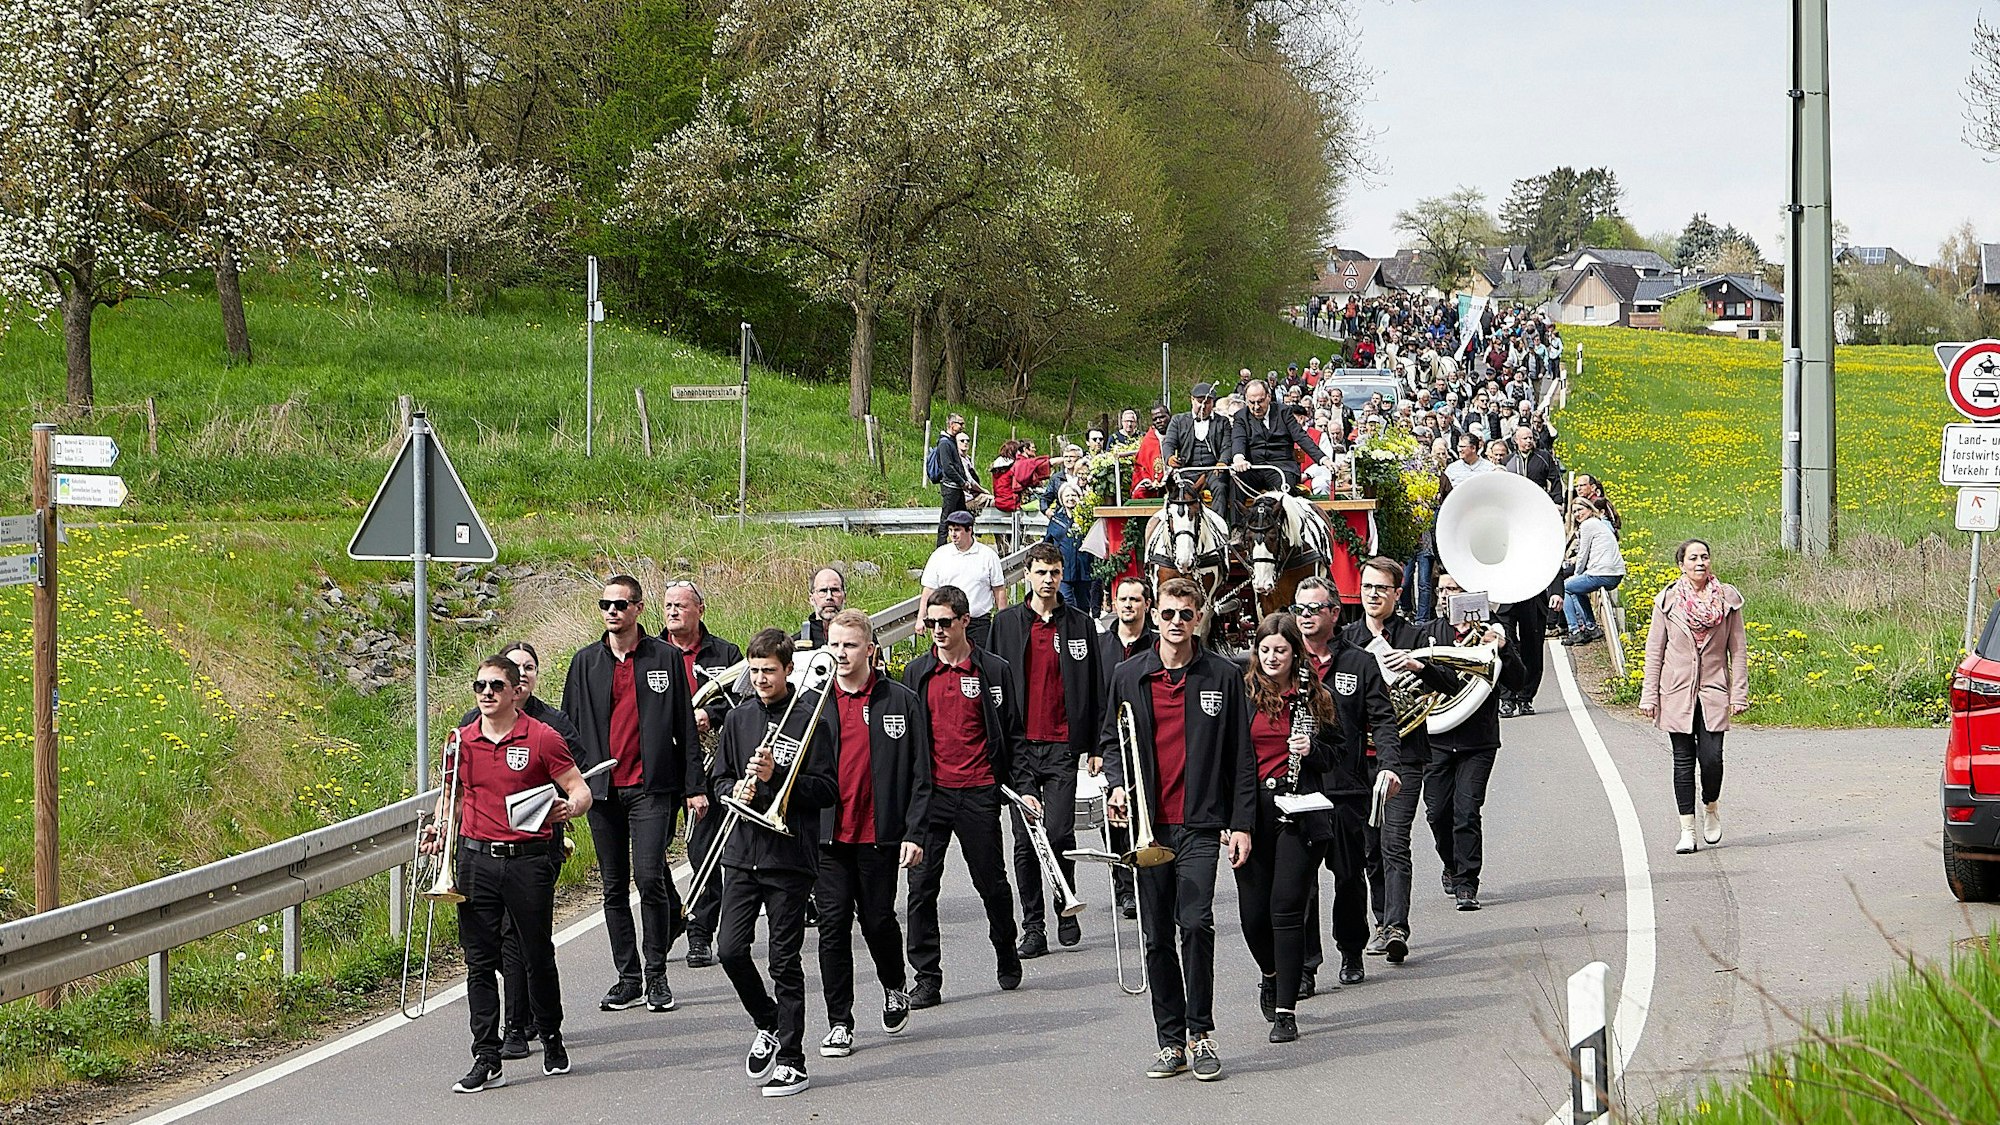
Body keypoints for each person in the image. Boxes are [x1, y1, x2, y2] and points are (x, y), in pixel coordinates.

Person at [1100, 577, 1256, 1082]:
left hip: (1199, 821)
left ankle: (1200, 1033)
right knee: (1155, 935)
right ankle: (1169, 1041)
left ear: (1197, 618)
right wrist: (1119, 785)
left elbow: (1241, 755)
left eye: (1185, 615)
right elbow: (1109, 739)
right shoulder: (1128, 675)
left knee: (1195, 923)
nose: (1174, 623)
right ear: (1153, 613)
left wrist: (1241, 823)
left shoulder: (1223, 675)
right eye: (1167, 613)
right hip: (1149, 824)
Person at [436, 655, 591, 1093]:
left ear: (515, 691)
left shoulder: (542, 737)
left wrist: (570, 806)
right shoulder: (460, 742)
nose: (486, 693)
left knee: (535, 953)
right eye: (479, 685)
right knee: (479, 960)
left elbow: (580, 789)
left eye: (495, 686)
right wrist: (439, 828)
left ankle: (552, 1036)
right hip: (475, 860)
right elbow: (452, 797)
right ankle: (487, 1054)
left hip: (528, 860)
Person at [560, 576, 702, 1015]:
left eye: (620, 604)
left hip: (652, 788)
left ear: (639, 608)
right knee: (613, 888)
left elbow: (685, 728)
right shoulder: (585, 662)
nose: (612, 611)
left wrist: (695, 787)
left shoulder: (665, 658)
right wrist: (569, 787)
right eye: (605, 604)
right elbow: (565, 731)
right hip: (601, 792)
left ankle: (657, 972)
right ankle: (629, 977)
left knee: (650, 877)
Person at [711, 629, 839, 1099]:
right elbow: (720, 779)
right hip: (742, 853)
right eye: (755, 670)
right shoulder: (739, 718)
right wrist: (733, 792)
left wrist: (777, 776)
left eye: (770, 670)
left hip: (789, 856)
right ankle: (768, 1022)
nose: (761, 678)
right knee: (729, 950)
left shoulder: (811, 719)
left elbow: (827, 790)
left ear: (787, 670)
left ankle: (792, 1060)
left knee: (784, 960)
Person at [901, 584, 1026, 1006]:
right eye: (931, 622)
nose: (936, 629)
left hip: (978, 792)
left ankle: (1006, 949)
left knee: (990, 883)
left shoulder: (993, 669)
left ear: (964, 622)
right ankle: (926, 977)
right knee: (920, 889)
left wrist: (1017, 787)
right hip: (931, 798)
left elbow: (1013, 732)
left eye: (945, 622)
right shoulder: (917, 673)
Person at [815, 610, 930, 1057]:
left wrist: (915, 832)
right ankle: (840, 1021)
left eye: (849, 645)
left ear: (871, 650)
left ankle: (894, 984)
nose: (841, 654)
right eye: (835, 645)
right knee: (832, 927)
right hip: (828, 839)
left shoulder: (900, 701)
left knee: (878, 920)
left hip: (880, 835)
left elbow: (922, 774)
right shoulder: (813, 704)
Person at [990, 542, 1103, 957]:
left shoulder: (1079, 624)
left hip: (1061, 748)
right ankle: (1032, 926)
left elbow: (1094, 685)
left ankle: (1065, 908)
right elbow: (993, 689)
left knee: (1058, 832)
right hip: (1020, 748)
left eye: (1055, 572)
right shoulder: (1005, 624)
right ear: (1027, 576)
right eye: (1041, 572)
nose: (1049, 580)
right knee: (1024, 841)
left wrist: (1092, 743)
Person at [1343, 559, 1457, 964]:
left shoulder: (1417, 635)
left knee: (1395, 841)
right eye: (1367, 586)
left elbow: (1452, 682)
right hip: (1361, 759)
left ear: (1397, 593)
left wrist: (1416, 664)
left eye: (1381, 588)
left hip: (1406, 754)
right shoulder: (1347, 639)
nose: (1372, 594)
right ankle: (1380, 921)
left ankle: (1396, 927)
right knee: (1369, 847)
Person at [1233, 616, 1332, 1043]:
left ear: (1295, 654)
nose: (1272, 658)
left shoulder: (1313, 698)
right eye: (1266, 650)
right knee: (1254, 917)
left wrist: (1313, 750)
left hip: (1299, 815)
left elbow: (1339, 758)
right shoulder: (1242, 695)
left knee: (1286, 910)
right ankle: (1270, 974)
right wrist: (1230, 821)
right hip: (1252, 815)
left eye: (1281, 651)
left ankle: (1286, 1011)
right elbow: (1226, 761)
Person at [1639, 539, 1749, 855]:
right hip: (1676, 692)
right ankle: (1687, 829)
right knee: (1683, 761)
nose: (1700, 562)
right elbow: (1654, 651)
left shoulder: (1728, 601)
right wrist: (1650, 696)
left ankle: (1710, 806)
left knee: (1712, 758)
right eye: (1693, 558)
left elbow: (1738, 651)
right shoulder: (1668, 602)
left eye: (1704, 556)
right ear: (1682, 565)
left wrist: (1738, 693)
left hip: (1714, 690)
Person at [1427, 568, 1525, 912]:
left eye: (1453, 589)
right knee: (1437, 813)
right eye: (1441, 589)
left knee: (1466, 812)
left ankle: (1467, 883)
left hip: (1478, 740)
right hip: (1436, 738)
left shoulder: (1493, 631)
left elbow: (1517, 680)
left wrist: (1503, 648)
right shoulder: (1430, 632)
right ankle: (1451, 866)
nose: (1444, 595)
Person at [661, 580, 743, 970]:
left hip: (708, 769)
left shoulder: (725, 654)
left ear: (700, 610)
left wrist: (711, 716)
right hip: (660, 767)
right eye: (668, 605)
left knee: (703, 853)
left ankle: (699, 932)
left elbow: (745, 705)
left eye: (681, 605)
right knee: (650, 856)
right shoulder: (652, 653)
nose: (674, 611)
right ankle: (676, 911)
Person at [921, 511, 1008, 650]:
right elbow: (929, 589)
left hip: (978, 623)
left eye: (957, 530)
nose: (953, 535)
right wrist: (921, 618)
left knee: (980, 665)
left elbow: (998, 589)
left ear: (969, 530)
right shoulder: (939, 555)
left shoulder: (988, 556)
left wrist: (1004, 620)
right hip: (947, 623)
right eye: (950, 530)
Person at [1231, 380, 1324, 497]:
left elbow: (1301, 437)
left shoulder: (1283, 412)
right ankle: (1237, 516)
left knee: (1285, 493)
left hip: (1282, 469)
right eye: (1251, 402)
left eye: (1260, 401)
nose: (1256, 407)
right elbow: (1238, 438)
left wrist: (1323, 459)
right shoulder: (1241, 416)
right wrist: (1238, 458)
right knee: (1235, 482)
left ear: (1269, 397)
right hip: (1254, 468)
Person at [1561, 499, 1626, 645]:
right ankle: (1591, 627)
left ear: (1589, 508)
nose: (1577, 514)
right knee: (1577, 589)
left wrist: (1576, 574)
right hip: (1615, 573)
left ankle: (1575, 631)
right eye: (1574, 512)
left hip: (1602, 573)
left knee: (1565, 587)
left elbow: (1583, 553)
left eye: (1580, 510)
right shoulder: (1600, 523)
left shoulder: (1588, 525)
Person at [933, 413, 970, 545]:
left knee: (964, 517)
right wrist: (962, 481)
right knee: (946, 519)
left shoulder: (951, 441)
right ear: (951, 424)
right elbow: (948, 467)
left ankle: (966, 543)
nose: (962, 426)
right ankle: (940, 549)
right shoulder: (944, 443)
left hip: (957, 487)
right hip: (950, 488)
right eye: (960, 423)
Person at [799, 565, 848, 650]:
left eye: (835, 590)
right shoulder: (797, 643)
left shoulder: (862, 638)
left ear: (844, 597)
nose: (829, 597)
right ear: (811, 599)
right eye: (823, 591)